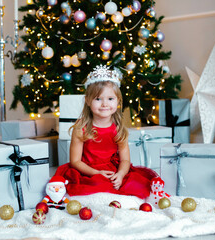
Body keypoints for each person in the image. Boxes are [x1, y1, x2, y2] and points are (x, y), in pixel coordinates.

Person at [54, 65, 158, 199]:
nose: (104, 104)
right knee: (97, 186)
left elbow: (125, 160)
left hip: (113, 170)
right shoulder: (81, 129)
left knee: (138, 186)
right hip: (88, 170)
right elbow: (75, 161)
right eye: (98, 99)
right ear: (88, 101)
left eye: (110, 99)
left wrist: (120, 175)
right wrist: (96, 173)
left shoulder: (118, 129)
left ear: (118, 101)